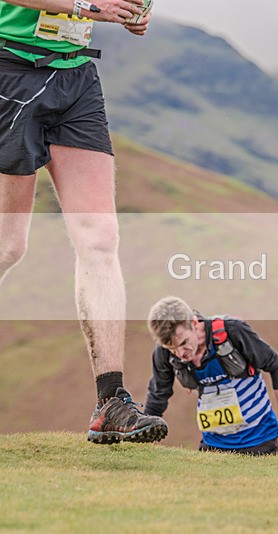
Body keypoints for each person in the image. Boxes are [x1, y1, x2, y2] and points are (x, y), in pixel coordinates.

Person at [0, 1, 167, 443]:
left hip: (75, 79)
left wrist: (128, 15)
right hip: (10, 68)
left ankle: (111, 402)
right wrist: (87, 5)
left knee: (100, 238)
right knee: (8, 247)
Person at [144, 296, 278, 455]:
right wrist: (144, 440)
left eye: (184, 343)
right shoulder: (164, 354)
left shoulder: (232, 331)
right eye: (172, 348)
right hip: (212, 445)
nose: (180, 353)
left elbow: (275, 365)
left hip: (260, 439)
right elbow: (158, 395)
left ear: (194, 323)